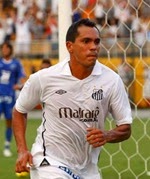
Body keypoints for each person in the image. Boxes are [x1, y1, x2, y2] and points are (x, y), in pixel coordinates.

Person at [12, 18, 132, 179]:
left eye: (96, 42)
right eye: (86, 41)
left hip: (88, 169)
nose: (93, 47)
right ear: (70, 46)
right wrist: (22, 150)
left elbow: (125, 128)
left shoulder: (111, 81)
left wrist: (107, 135)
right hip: (49, 161)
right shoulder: (45, 78)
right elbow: (19, 110)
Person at [0, 41, 26, 157]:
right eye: (2, 49)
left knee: (9, 122)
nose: (4, 51)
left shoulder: (16, 63)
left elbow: (22, 78)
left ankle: (6, 146)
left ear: (10, 50)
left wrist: (19, 85)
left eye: (6, 48)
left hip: (10, 96)